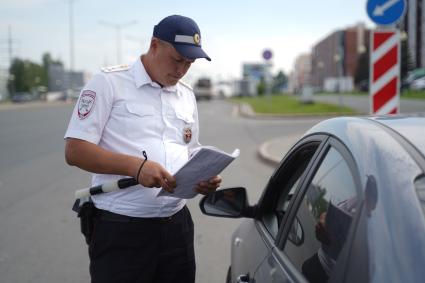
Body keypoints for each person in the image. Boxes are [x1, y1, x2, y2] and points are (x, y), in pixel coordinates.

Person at [64, 15, 221, 283]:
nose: (182, 70)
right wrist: (135, 167)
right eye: (177, 59)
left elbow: (190, 148)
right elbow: (75, 150)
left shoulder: (186, 95)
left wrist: (204, 174)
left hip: (177, 227)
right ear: (154, 45)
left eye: (189, 63)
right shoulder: (108, 83)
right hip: (121, 230)